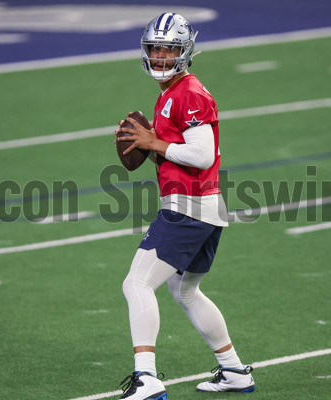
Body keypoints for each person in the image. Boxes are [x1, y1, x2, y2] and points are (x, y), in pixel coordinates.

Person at [114, 13, 255, 400]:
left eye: (168, 48)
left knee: (137, 283)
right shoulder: (172, 92)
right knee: (185, 290)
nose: (160, 56)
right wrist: (150, 145)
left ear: (185, 51)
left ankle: (147, 378)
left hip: (188, 206)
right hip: (204, 207)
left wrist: (154, 143)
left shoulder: (188, 92)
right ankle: (234, 371)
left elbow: (202, 153)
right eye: (154, 48)